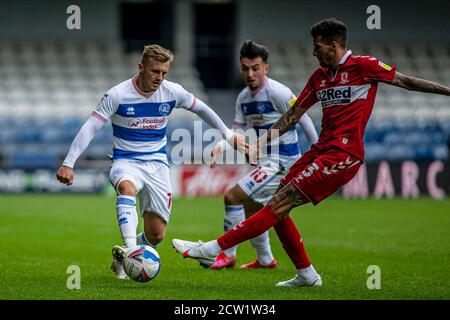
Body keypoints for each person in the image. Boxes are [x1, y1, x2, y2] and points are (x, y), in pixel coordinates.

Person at [172, 18, 450, 286]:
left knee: (277, 203)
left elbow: (406, 81)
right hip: (320, 151)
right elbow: (293, 116)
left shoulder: (363, 66)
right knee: (278, 207)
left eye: (317, 46)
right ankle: (305, 274)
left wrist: (446, 91)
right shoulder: (319, 77)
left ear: (333, 45)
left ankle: (212, 248)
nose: (313, 52)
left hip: (344, 154)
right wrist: (260, 143)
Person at [56, 44, 244, 279]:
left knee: (156, 236)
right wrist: (69, 162)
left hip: (157, 165)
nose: (160, 78)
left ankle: (128, 252)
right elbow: (91, 126)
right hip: (126, 161)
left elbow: (201, 108)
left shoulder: (171, 91)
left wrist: (226, 133)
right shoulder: (117, 94)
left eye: (164, 72)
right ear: (141, 67)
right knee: (126, 187)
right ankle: (129, 253)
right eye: (155, 71)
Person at [208, 40, 318, 270]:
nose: (250, 73)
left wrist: (319, 149)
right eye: (245, 68)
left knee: (232, 197)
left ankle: (228, 254)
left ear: (265, 68)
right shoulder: (243, 98)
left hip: (283, 161)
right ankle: (266, 260)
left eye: (255, 67)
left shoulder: (277, 92)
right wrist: (221, 145)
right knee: (252, 207)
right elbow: (236, 131)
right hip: (264, 162)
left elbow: (303, 118)